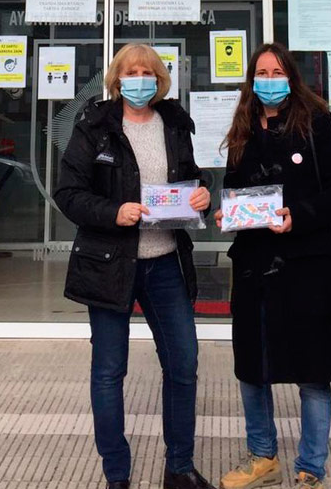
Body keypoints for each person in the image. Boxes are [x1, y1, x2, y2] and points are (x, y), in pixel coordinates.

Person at [54, 43, 213, 489]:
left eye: (147, 71)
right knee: (109, 372)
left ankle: (179, 468)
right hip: (109, 262)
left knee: (183, 364)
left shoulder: (175, 123)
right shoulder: (95, 127)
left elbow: (193, 177)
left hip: (165, 264)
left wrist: (202, 190)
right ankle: (117, 475)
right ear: (117, 79)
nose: (139, 78)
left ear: (159, 79)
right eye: (130, 71)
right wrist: (113, 212)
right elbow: (67, 193)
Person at [215, 42, 331, 489]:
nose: (268, 80)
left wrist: (298, 216)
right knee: (252, 363)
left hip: (309, 263)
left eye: (276, 71)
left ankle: (311, 467)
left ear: (291, 77)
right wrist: (227, 213)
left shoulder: (316, 125)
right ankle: (263, 457)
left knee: (312, 366)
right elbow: (234, 187)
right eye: (260, 72)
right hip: (252, 265)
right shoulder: (243, 128)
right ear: (251, 79)